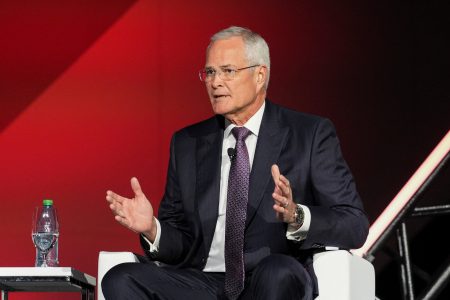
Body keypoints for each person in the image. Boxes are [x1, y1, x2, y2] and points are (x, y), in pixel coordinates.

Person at [103, 26, 369, 300]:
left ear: (260, 75)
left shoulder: (309, 134)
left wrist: (296, 216)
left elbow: (354, 224)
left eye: (228, 71)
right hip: (203, 282)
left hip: (270, 278)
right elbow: (181, 244)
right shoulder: (187, 142)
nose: (215, 82)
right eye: (209, 72)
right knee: (121, 279)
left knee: (278, 273)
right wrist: (153, 229)